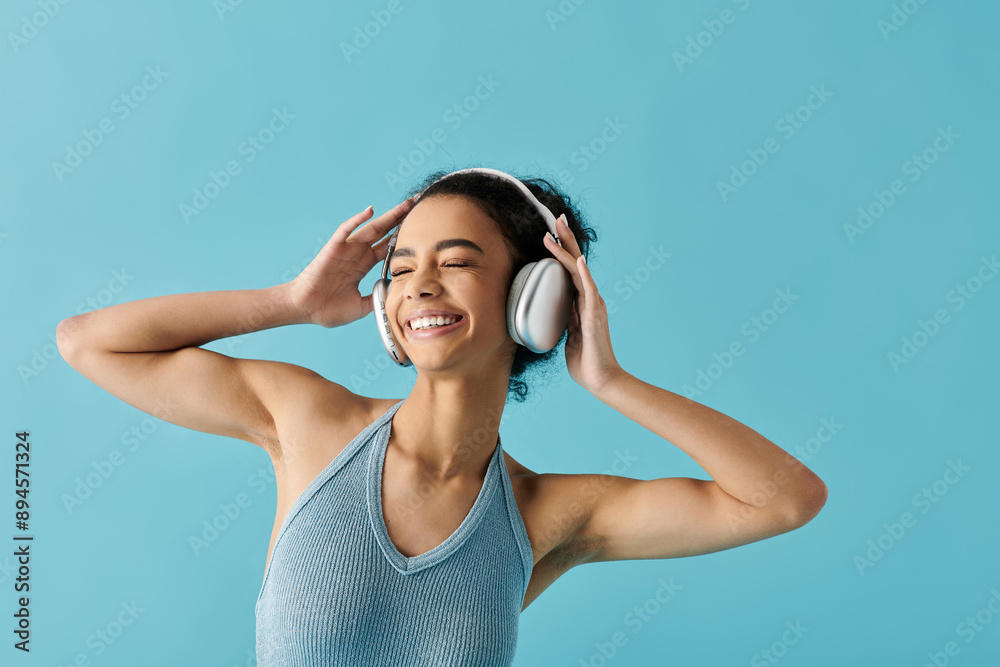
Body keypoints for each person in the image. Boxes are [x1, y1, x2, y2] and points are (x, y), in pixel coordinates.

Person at [56, 168, 827, 665]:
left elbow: (786, 498)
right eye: (400, 268)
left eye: (456, 262)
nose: (418, 285)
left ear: (536, 302)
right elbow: (89, 343)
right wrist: (289, 303)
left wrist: (611, 380)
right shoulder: (310, 424)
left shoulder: (543, 515)